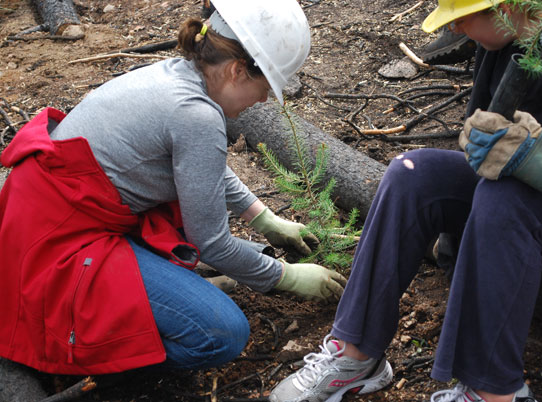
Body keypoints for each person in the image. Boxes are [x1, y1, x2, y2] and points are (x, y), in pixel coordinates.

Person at [269, 0, 542, 401]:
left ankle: (493, 393)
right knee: (414, 172)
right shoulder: (501, 48)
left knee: (506, 195)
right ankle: (356, 355)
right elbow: (480, 163)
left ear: (508, 6)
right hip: (518, 229)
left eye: (463, 16)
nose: (456, 30)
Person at [0, 0, 347, 376]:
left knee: (188, 244)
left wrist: (262, 218)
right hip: (56, 249)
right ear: (236, 70)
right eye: (266, 87)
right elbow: (212, 242)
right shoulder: (195, 114)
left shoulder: (175, 75)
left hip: (38, 216)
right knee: (222, 333)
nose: (264, 100)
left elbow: (203, 168)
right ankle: (96, 356)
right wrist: (286, 277)